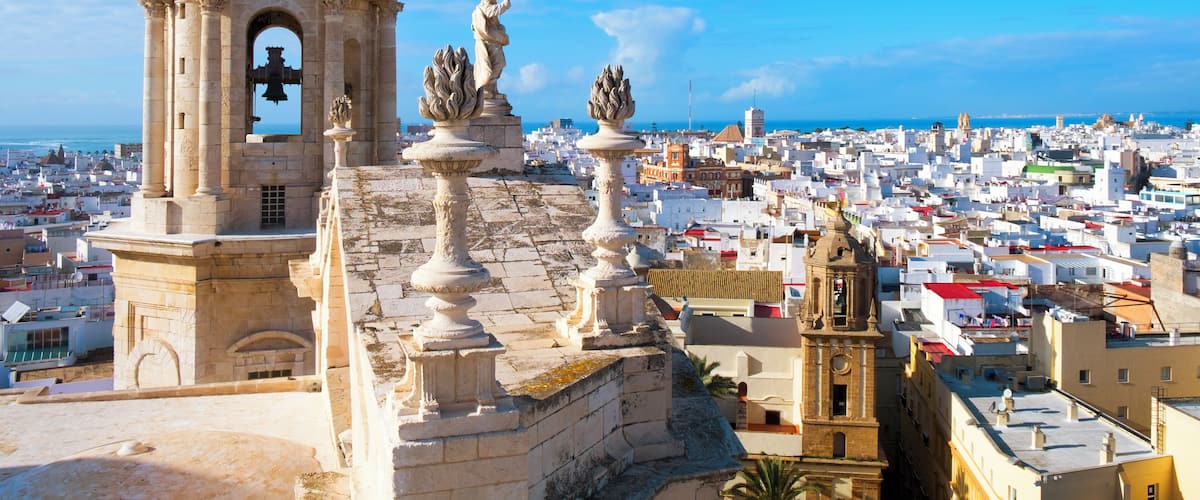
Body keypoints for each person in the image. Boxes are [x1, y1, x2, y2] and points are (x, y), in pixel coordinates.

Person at [472, 0, 511, 99]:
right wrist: (505, 4)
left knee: (497, 64)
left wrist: (500, 30)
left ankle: (492, 90)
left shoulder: (489, 6)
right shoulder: (484, 6)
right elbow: (492, 11)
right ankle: (485, 90)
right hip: (488, 43)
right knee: (493, 65)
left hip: (494, 42)